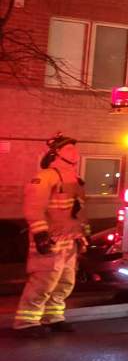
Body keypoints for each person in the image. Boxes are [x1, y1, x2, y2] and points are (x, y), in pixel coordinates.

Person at [13, 135, 88, 338]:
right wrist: (40, 234)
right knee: (43, 281)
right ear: (56, 154)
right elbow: (33, 208)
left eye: (75, 149)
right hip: (50, 239)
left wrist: (81, 236)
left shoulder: (74, 179)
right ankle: (26, 322)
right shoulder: (45, 177)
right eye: (70, 150)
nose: (75, 154)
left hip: (69, 240)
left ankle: (53, 317)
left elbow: (77, 212)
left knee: (65, 282)